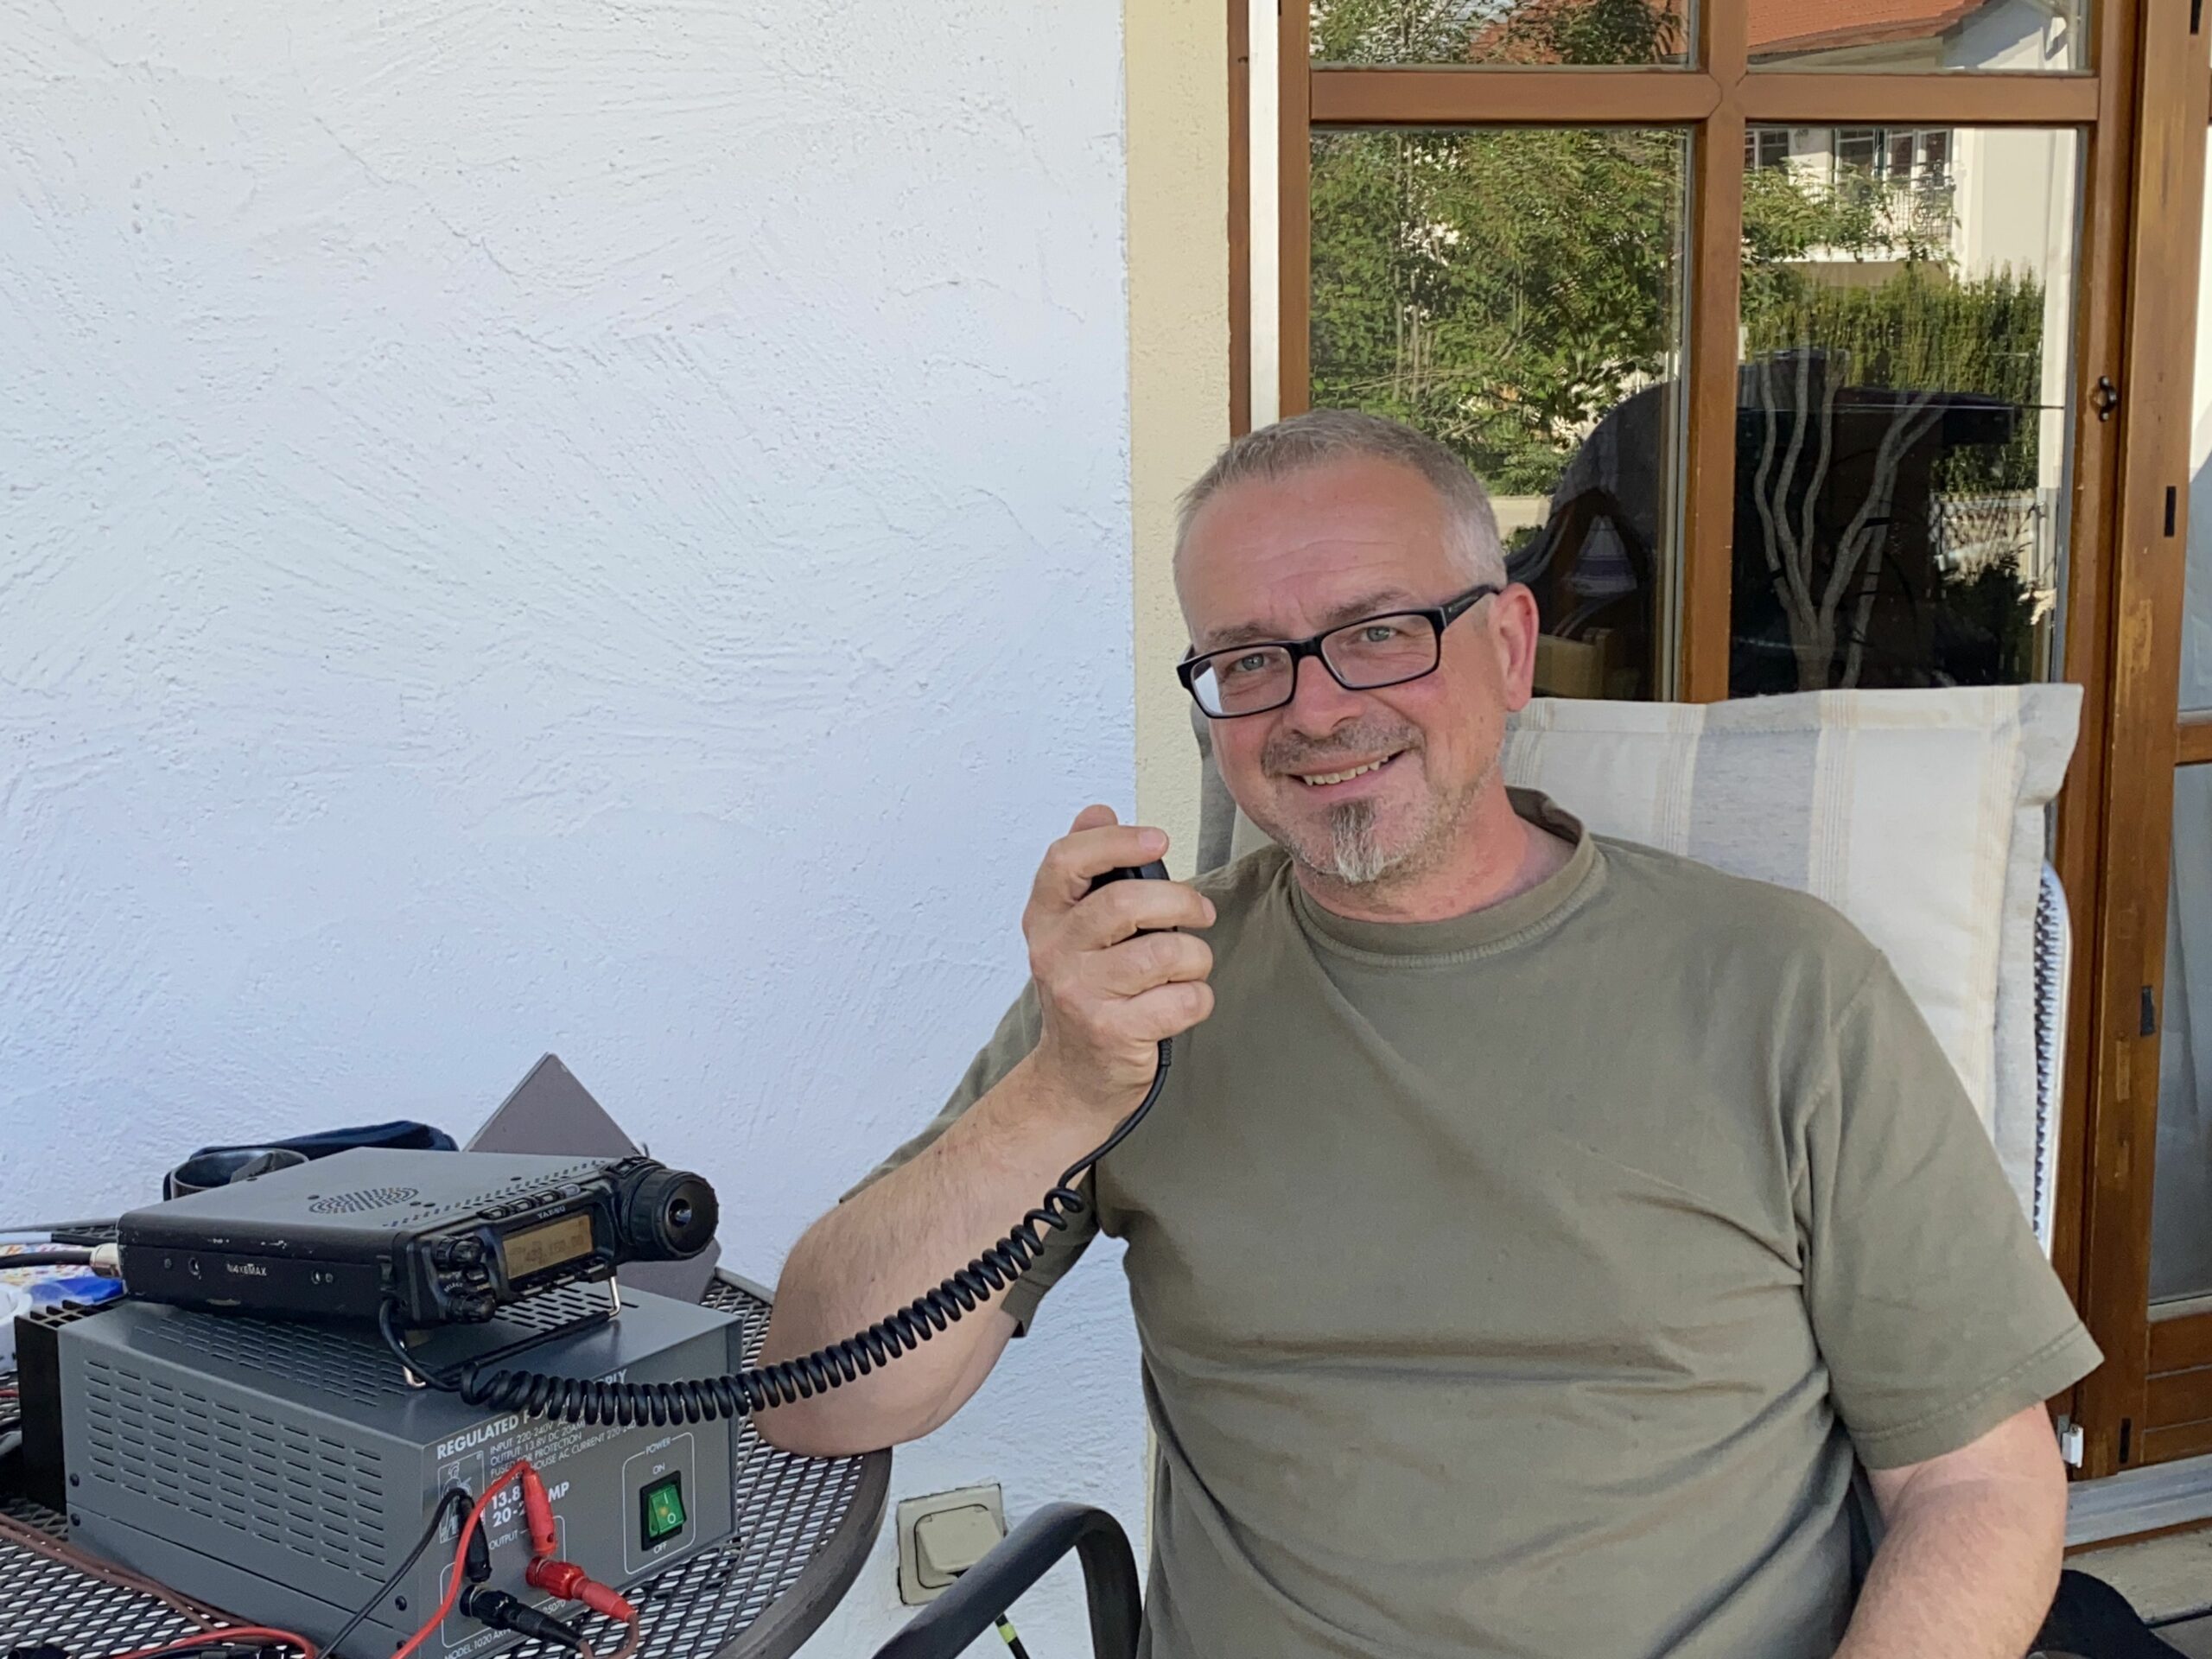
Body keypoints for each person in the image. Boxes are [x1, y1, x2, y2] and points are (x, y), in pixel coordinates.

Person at [755, 409, 2100, 1658]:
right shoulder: (1137, 1003)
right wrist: (1059, 1090)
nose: (1317, 708)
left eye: (1382, 630)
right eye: (1246, 661)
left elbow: (1977, 1481)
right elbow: (820, 1398)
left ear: (1510, 647)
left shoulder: (1785, 988)